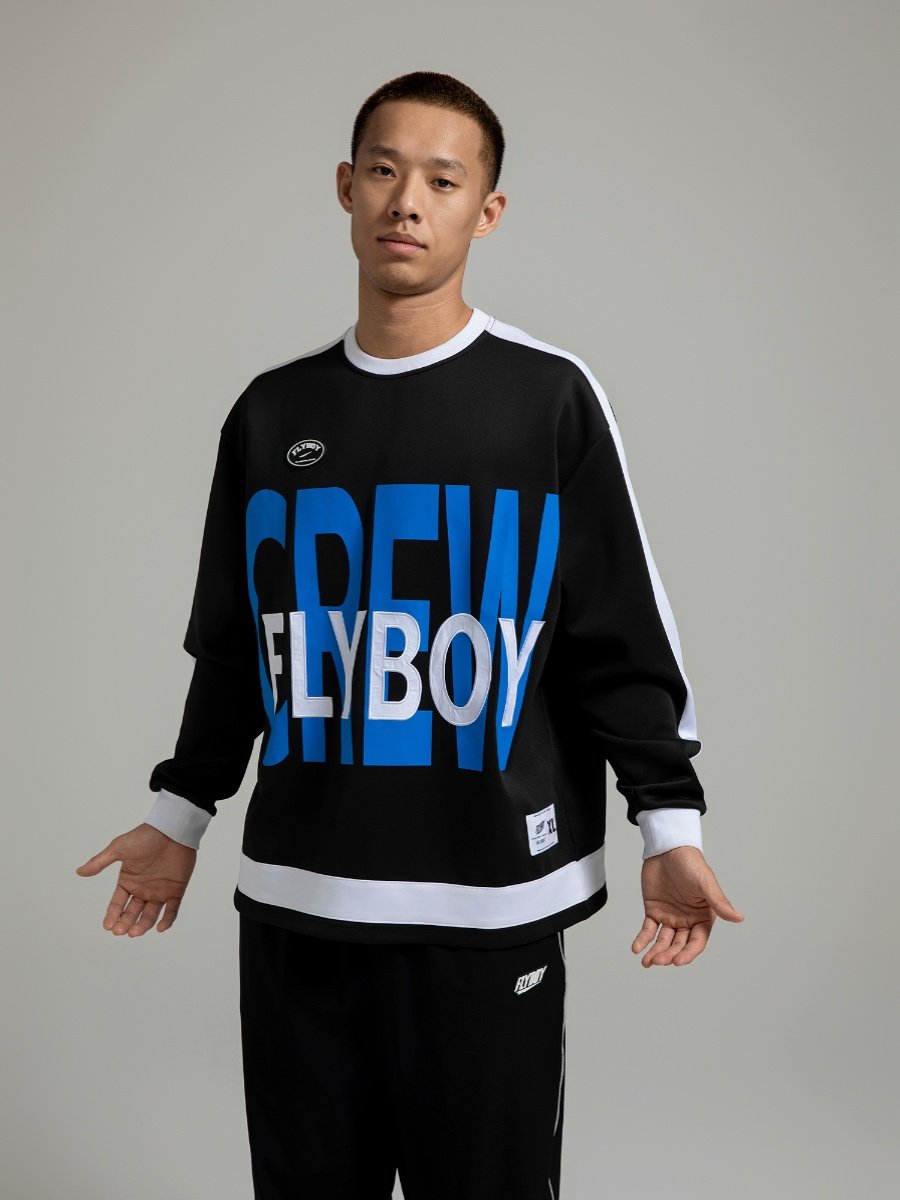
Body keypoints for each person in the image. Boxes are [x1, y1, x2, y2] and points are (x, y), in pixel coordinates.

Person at [76, 70, 744, 1199]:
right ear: (346, 187)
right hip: (299, 904)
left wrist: (666, 823)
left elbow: (618, 636)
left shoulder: (548, 401)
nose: (408, 202)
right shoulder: (271, 413)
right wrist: (179, 815)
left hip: (489, 908)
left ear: (488, 210)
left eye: (443, 180)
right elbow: (237, 646)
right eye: (385, 171)